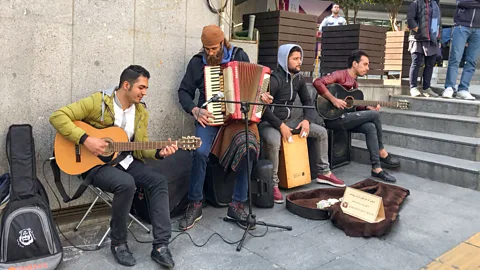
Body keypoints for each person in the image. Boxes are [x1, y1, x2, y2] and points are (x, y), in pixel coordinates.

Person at [49, 65, 176, 268]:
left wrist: (160, 152)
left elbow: (141, 149)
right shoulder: (99, 102)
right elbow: (57, 117)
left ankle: (161, 246)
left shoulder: (141, 111)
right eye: (141, 87)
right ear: (126, 85)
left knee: (158, 180)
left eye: (146, 88)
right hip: (94, 164)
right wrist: (86, 139)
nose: (144, 92)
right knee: (126, 184)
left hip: (124, 160)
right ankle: (118, 243)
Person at [177, 24, 262, 231]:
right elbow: (183, 92)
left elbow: (253, 86)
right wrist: (195, 110)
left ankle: (237, 204)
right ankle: (195, 203)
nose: (210, 53)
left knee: (249, 150)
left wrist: (262, 96)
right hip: (210, 117)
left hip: (235, 120)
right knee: (200, 151)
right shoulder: (197, 63)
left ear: (223, 43)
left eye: (214, 48)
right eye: (207, 49)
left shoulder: (239, 56)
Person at [259, 44, 345, 204]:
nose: (300, 62)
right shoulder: (272, 79)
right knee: (274, 140)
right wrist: (280, 125)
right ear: (285, 60)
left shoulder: (298, 79)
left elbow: (307, 101)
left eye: (300, 58)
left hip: (291, 121)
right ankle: (273, 183)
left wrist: (307, 120)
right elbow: (262, 109)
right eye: (295, 59)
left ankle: (324, 172)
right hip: (269, 124)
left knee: (321, 132)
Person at [313, 50, 400, 183]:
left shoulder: (354, 84)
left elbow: (353, 106)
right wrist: (333, 99)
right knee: (375, 115)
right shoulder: (339, 75)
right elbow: (317, 82)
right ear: (354, 64)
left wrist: (366, 107)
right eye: (365, 64)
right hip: (333, 119)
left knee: (370, 126)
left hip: (346, 118)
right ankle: (382, 151)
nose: (367, 68)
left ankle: (376, 168)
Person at [442, 0, 480, 100]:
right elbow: (461, 2)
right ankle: (449, 87)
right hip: (461, 26)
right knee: (455, 58)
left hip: (478, 29)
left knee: (472, 61)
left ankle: (463, 89)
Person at [406, 0, 442, 97]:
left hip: (432, 39)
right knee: (416, 62)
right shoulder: (415, 3)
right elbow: (410, 20)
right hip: (417, 39)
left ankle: (426, 88)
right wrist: (419, 29)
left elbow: (439, 22)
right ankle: (413, 87)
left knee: (430, 64)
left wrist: (438, 37)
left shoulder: (435, 4)